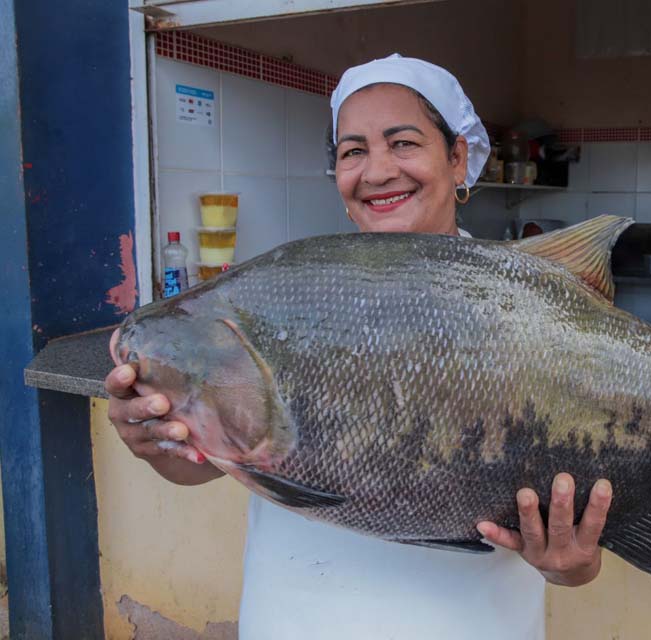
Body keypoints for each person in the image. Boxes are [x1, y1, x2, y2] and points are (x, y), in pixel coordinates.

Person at [105, 54, 613, 639]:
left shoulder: (531, 307)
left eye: (402, 142)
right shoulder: (289, 294)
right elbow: (209, 465)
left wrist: (575, 566)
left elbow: (580, 557)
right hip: (294, 620)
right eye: (352, 152)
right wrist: (155, 440)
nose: (376, 171)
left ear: (458, 157)